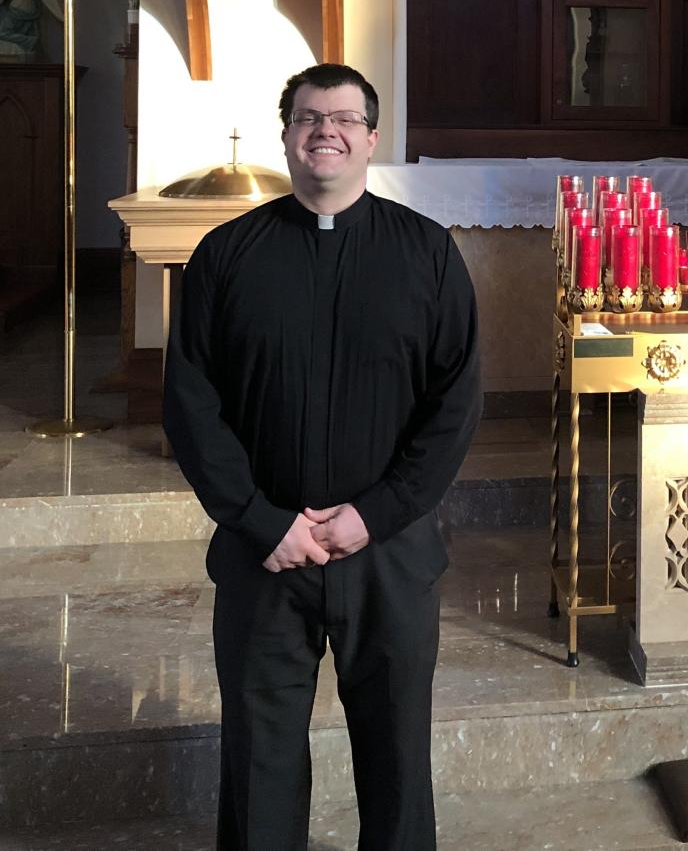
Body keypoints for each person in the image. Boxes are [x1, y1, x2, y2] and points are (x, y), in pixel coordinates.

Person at [163, 62, 482, 850]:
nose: (326, 131)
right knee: (259, 755)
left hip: (389, 550)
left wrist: (374, 514)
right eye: (309, 118)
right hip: (263, 551)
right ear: (287, 135)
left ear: (372, 137)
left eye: (344, 118)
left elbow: (455, 404)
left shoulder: (427, 253)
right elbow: (190, 403)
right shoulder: (227, 253)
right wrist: (260, 521)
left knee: (398, 753)